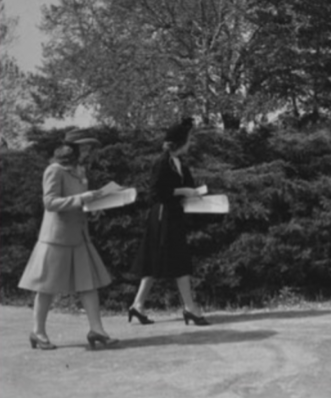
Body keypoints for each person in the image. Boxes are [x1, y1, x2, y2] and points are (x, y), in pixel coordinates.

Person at [19, 129, 118, 350]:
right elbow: (50, 203)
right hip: (56, 237)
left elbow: (77, 203)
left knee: (88, 284)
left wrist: (94, 206)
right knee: (46, 286)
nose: (88, 151)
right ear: (70, 149)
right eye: (84, 147)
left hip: (79, 235)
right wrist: (82, 198)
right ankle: (38, 332)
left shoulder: (80, 170)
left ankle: (97, 330)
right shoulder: (54, 170)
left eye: (88, 147)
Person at [128, 118, 210, 326]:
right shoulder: (162, 162)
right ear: (180, 142)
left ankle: (137, 305)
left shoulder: (179, 163)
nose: (190, 143)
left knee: (157, 262)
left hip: (173, 216)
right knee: (179, 262)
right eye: (188, 140)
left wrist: (194, 193)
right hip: (163, 217)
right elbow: (155, 193)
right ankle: (190, 308)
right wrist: (183, 191)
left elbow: (186, 187)